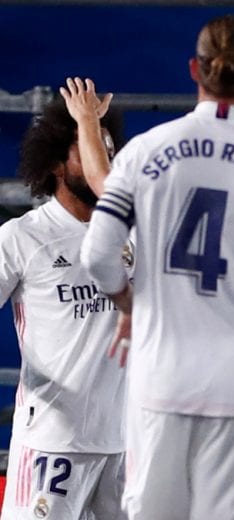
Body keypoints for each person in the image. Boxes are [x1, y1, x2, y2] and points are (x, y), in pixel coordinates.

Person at [78, 15, 234, 518]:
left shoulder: (141, 154)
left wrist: (131, 304)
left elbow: (97, 257)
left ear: (195, 69)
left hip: (160, 380)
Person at [0, 98, 127, 519]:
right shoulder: (23, 237)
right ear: (56, 165)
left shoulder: (134, 234)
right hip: (53, 443)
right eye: (90, 149)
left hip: (127, 444)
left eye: (108, 151)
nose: (102, 160)